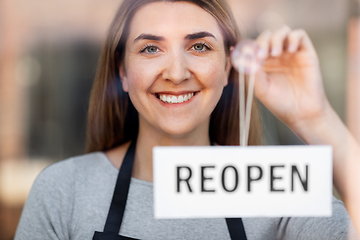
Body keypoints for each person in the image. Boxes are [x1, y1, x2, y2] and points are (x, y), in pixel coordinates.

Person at [15, 0, 359, 239]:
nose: (177, 73)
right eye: (151, 48)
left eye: (199, 47)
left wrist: (317, 119)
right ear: (122, 71)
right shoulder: (64, 191)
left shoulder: (273, 187)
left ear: (227, 68)